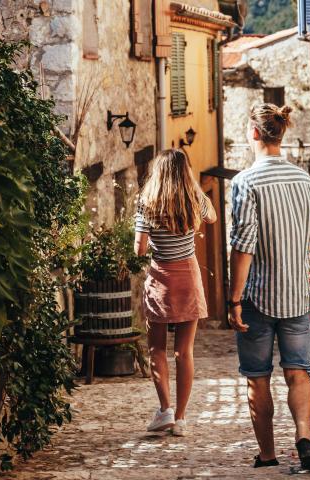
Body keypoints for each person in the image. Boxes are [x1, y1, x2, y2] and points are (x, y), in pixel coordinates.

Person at [228, 103, 310, 470]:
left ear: (253, 133)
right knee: (298, 371)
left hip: (258, 296)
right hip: (297, 293)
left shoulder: (245, 183)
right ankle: (303, 435)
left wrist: (234, 300)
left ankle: (267, 455)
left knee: (258, 378)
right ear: (280, 133)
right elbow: (309, 236)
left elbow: (243, 245)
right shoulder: (305, 181)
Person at [134, 148, 217, 437]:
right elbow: (213, 217)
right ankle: (180, 419)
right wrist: (193, 186)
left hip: (161, 278)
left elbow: (139, 249)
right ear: (185, 172)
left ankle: (165, 409)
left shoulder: (147, 203)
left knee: (157, 348)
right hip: (189, 278)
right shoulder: (193, 199)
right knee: (185, 352)